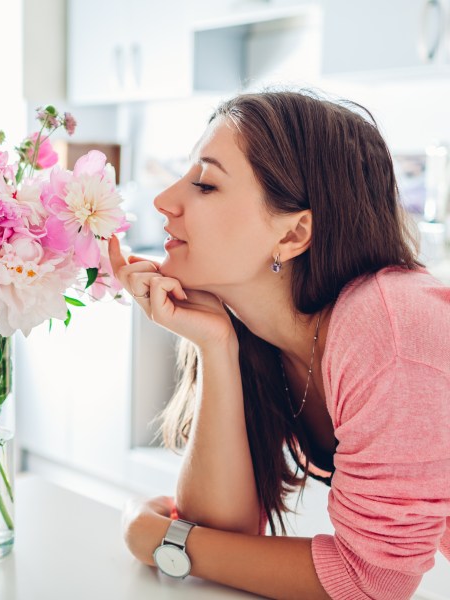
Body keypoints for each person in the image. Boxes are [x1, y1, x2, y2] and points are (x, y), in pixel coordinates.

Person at [108, 90, 450, 600]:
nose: (165, 200)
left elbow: (371, 583)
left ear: (293, 236)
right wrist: (215, 347)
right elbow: (222, 529)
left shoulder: (390, 327)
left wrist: (158, 538)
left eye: (204, 183)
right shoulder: (268, 335)